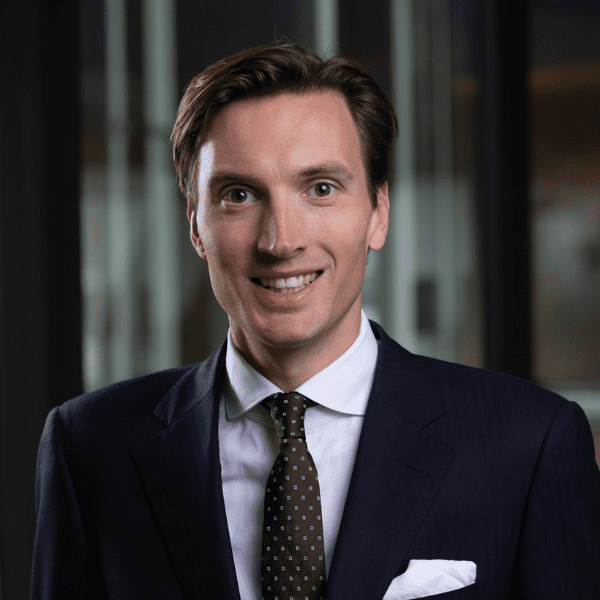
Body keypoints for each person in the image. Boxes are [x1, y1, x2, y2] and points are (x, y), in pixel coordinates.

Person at [31, 44, 600, 600]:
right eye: (239, 194)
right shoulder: (90, 448)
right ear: (196, 224)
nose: (281, 241)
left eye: (321, 188)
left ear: (378, 212)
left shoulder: (527, 444)